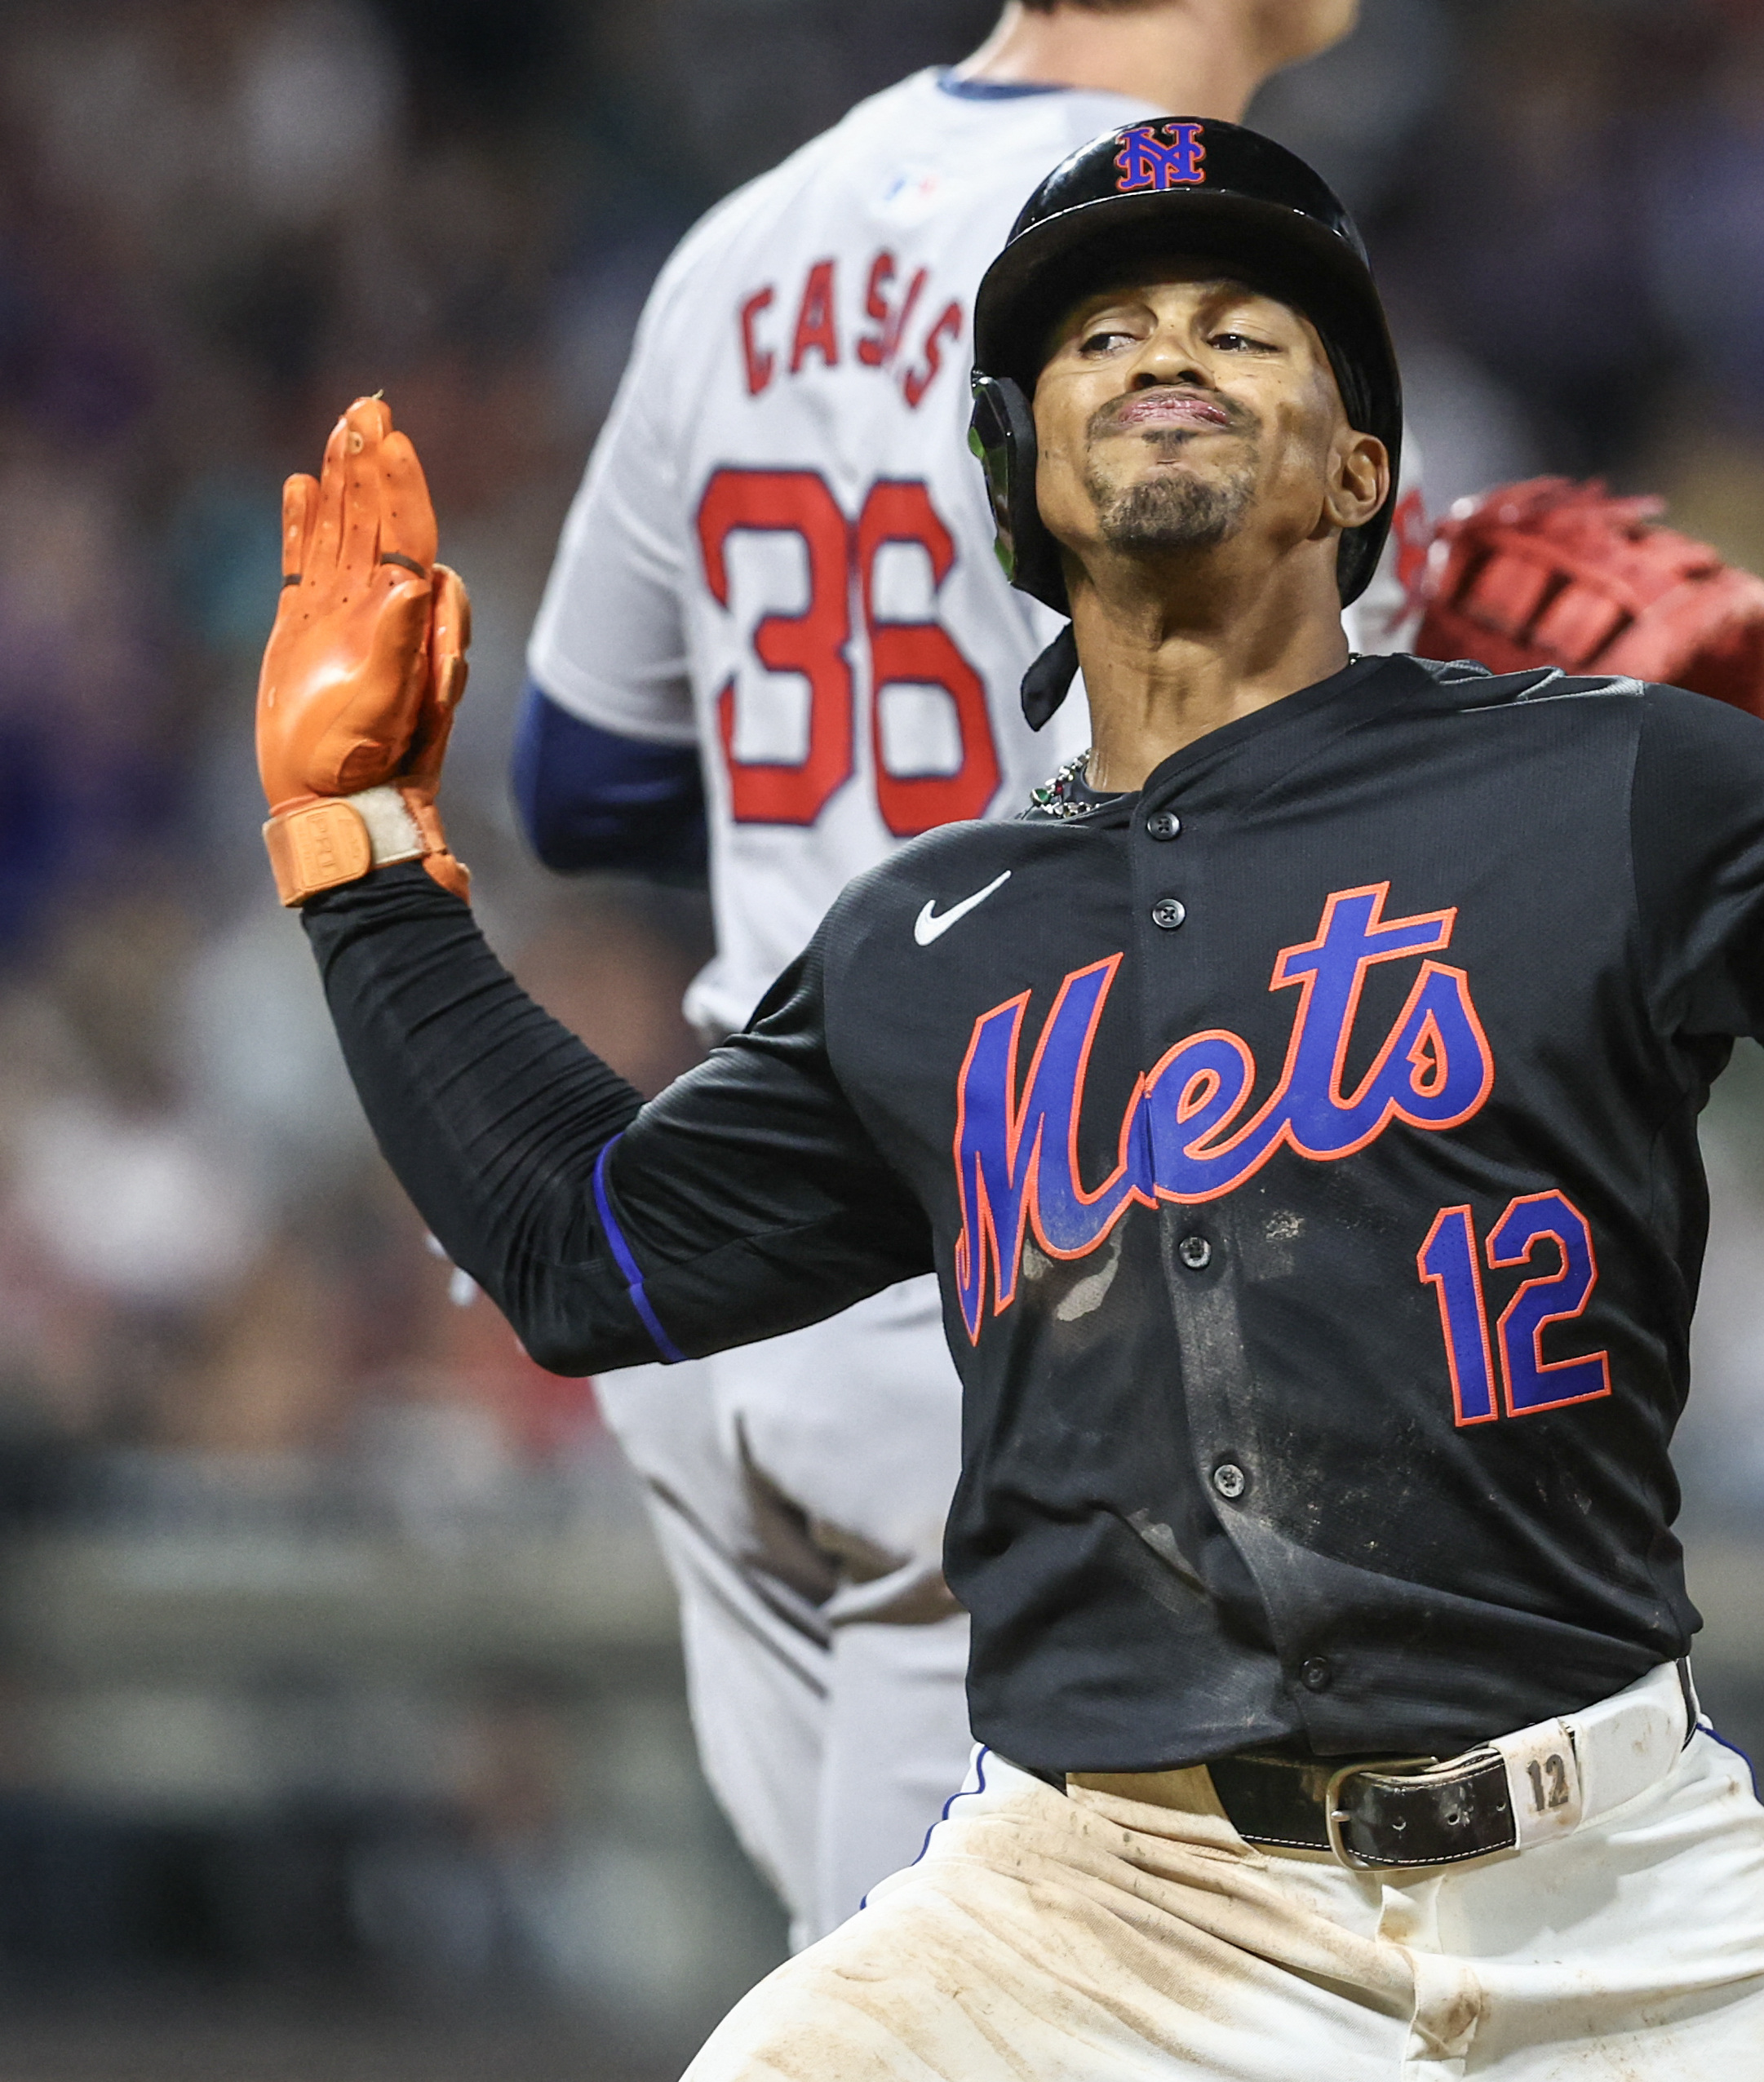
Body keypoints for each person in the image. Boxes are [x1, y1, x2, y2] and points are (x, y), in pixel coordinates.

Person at [255, 120, 1764, 2081]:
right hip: (1105, 1912)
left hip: (1607, 1890)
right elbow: (592, 1253)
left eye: (1248, 325)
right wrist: (359, 855)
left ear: (1359, 477)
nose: (1172, 351)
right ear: (1021, 492)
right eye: (1105, 333)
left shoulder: (1617, 790)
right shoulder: (923, 948)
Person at [512, 0, 1418, 1948]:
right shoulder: (1208, 277)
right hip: (1031, 1315)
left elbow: (581, 777)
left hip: (753, 1306)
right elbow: (1351, 813)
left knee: (878, 1991)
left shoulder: (749, 237)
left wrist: (844, 819)